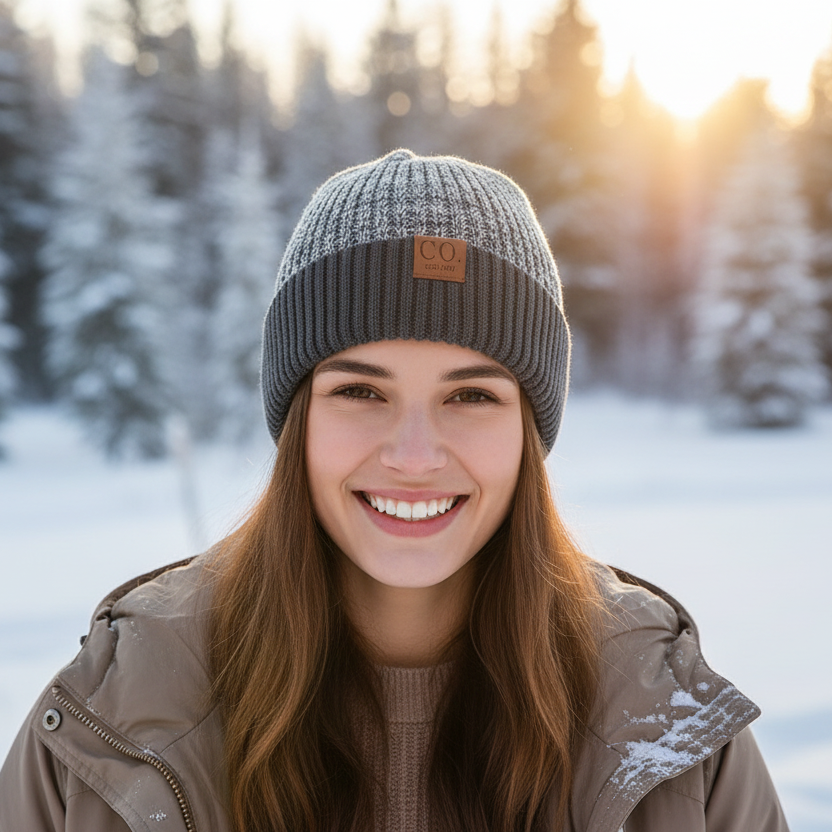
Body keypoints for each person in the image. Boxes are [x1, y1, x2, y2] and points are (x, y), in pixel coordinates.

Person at [0, 149, 789, 832]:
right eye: (361, 392)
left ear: (529, 432)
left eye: (472, 396)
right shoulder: (115, 713)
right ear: (298, 420)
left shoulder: (668, 722)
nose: (414, 457)